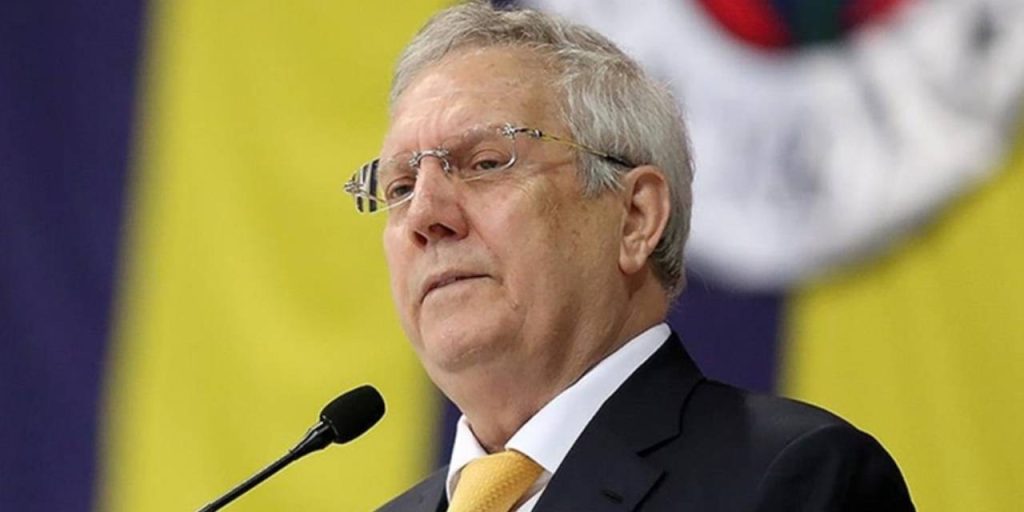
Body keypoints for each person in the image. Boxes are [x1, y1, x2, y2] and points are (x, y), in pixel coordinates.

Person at [345, 2, 914, 511]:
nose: (424, 215)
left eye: (487, 163)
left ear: (636, 217)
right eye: (400, 187)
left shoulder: (795, 481)